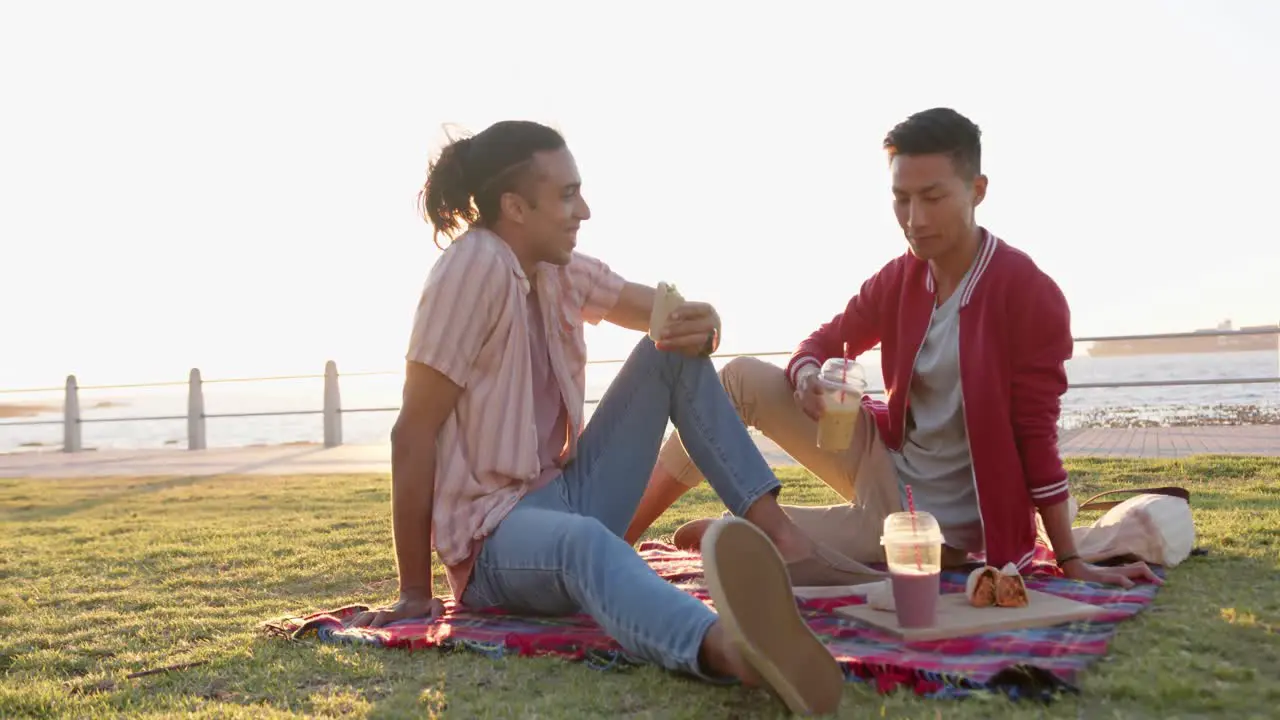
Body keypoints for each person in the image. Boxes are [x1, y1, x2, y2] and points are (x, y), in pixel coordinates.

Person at [345, 120, 853, 715]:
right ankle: (730, 650)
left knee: (671, 354)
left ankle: (783, 541)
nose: (582, 209)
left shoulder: (559, 268)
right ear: (514, 207)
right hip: (493, 544)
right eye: (566, 194)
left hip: (566, 493)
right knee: (585, 543)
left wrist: (705, 321)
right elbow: (413, 431)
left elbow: (670, 316)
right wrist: (413, 592)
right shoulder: (472, 268)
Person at [626, 107, 1162, 590]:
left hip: (930, 519)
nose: (915, 218)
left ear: (978, 189)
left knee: (741, 533)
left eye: (933, 197)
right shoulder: (903, 278)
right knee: (738, 376)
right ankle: (619, 533)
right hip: (884, 453)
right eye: (901, 199)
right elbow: (825, 338)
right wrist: (809, 372)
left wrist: (1069, 558)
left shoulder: (1028, 295)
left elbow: (1036, 438)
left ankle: (744, 532)